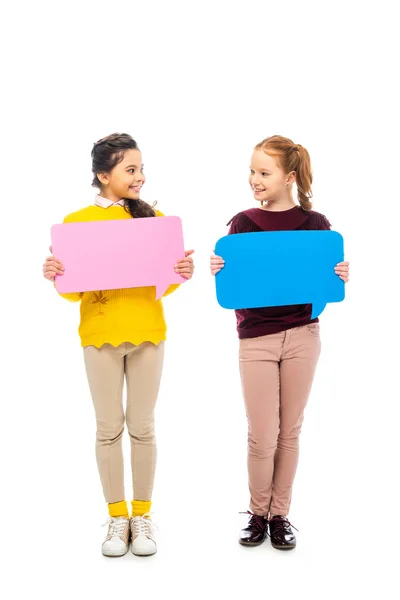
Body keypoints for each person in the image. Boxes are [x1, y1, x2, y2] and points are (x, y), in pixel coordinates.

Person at [43, 133, 194, 557]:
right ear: (102, 175)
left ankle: (142, 516)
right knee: (108, 429)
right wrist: (56, 272)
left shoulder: (155, 219)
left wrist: (182, 271)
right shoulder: (76, 223)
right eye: (131, 169)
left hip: (147, 333)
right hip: (99, 336)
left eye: (142, 168)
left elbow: (163, 285)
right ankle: (117, 517)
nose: (140, 177)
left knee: (142, 427)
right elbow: (72, 292)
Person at [210, 135, 349, 550]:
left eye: (264, 172)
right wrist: (220, 268)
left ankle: (279, 516)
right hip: (256, 338)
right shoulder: (243, 223)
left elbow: (322, 285)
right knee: (262, 433)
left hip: (304, 335)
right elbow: (235, 287)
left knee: (290, 431)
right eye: (252, 171)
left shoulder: (316, 225)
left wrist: (337, 274)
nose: (255, 179)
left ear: (289, 177)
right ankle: (256, 512)